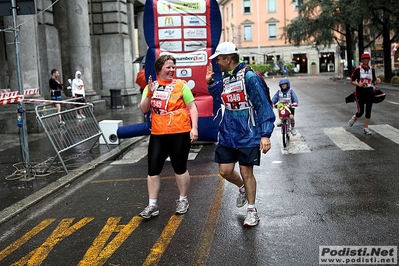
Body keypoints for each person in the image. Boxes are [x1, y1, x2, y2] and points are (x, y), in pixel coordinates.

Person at [205, 42, 275, 227]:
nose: (217, 63)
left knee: (246, 171)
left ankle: (252, 211)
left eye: (219, 59)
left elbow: (263, 105)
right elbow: (220, 96)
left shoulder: (250, 77)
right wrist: (210, 83)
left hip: (248, 133)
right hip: (228, 134)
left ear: (228, 59)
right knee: (225, 171)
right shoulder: (227, 77)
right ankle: (242, 188)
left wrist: (265, 134)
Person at [139, 54, 199, 219]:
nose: (172, 70)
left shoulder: (181, 86)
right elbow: (144, 109)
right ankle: (152, 205)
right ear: (159, 69)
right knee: (152, 170)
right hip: (158, 133)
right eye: (168, 67)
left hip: (179, 132)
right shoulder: (151, 86)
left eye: (173, 67)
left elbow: (192, 108)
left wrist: (194, 128)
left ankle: (183, 199)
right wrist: (150, 94)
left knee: (179, 167)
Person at [348, 52, 381, 135]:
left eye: (367, 59)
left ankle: (366, 128)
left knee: (368, 110)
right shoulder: (358, 69)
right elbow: (351, 81)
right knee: (361, 112)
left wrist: (377, 81)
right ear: (362, 60)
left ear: (369, 60)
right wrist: (358, 84)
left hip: (369, 92)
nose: (366, 60)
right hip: (360, 92)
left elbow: (373, 82)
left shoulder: (372, 69)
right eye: (364, 59)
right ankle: (355, 117)